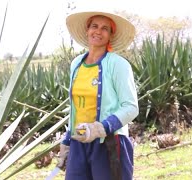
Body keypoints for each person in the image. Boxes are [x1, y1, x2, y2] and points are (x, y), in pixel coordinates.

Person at [57, 3, 139, 180]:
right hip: (79, 142)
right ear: (87, 30)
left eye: (105, 28)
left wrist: (101, 127)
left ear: (110, 35)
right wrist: (66, 142)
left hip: (109, 143)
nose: (98, 31)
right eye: (94, 26)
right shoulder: (76, 64)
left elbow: (131, 107)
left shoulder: (118, 65)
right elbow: (75, 107)